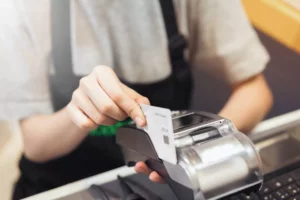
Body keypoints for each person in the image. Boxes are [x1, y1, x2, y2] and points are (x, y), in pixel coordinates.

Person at [0, 0, 273, 199]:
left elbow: (255, 91)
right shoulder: (21, 8)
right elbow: (36, 145)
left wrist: (196, 150)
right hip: (65, 185)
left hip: (168, 184)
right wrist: (80, 113)